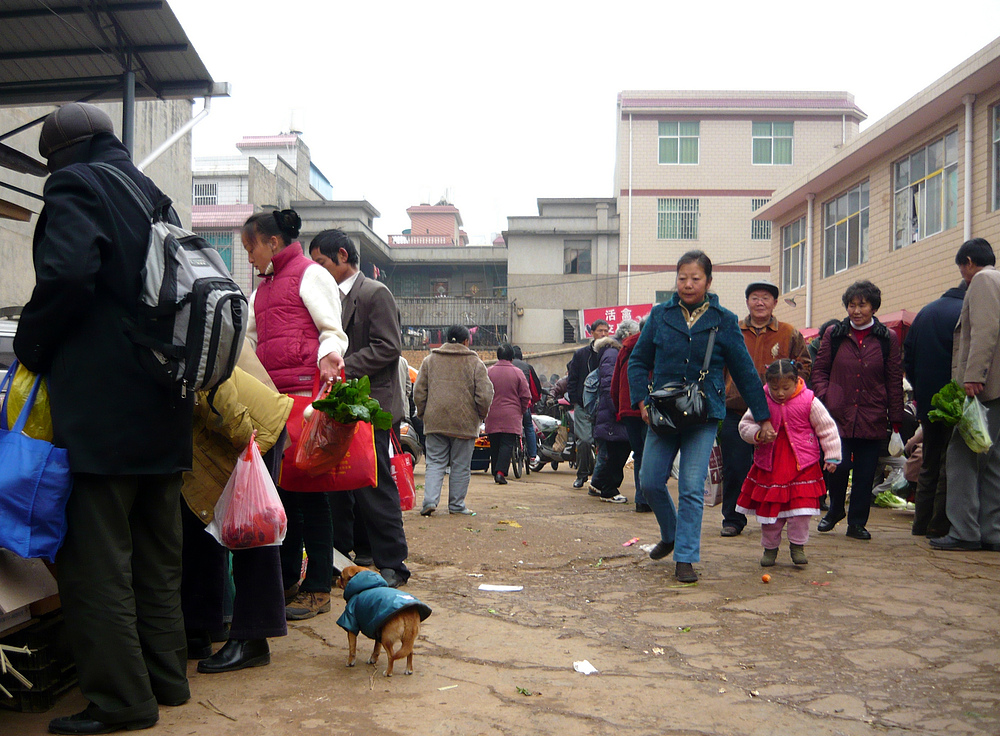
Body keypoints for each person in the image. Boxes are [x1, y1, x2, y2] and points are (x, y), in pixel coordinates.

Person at [14, 103, 194, 734]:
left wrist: (28, 347)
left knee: (98, 562)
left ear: (61, 153)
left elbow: (65, 276)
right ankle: (167, 682)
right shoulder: (154, 195)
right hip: (165, 408)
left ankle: (122, 701)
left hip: (103, 414)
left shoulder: (76, 185)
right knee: (155, 557)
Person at [628, 250, 773, 583]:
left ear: (709, 281)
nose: (688, 284)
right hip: (662, 415)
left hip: (704, 415)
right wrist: (641, 402)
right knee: (650, 481)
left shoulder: (724, 320)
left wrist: (763, 417)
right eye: (682, 278)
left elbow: (746, 373)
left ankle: (685, 557)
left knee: (692, 486)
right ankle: (670, 533)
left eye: (695, 278)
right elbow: (638, 361)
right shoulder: (660, 316)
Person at [242, 209, 348, 620]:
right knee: (283, 497)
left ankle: (319, 586)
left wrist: (329, 359)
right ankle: (288, 582)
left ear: (272, 242)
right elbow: (248, 341)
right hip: (274, 403)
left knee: (311, 495)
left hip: (306, 400)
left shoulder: (309, 274)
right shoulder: (261, 289)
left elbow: (332, 331)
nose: (249, 256)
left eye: (251, 247)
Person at [309, 229, 411, 588]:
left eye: (321, 262)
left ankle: (393, 563)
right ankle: (347, 555)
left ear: (341, 255)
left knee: (374, 483)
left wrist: (343, 365)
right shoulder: (329, 300)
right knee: (339, 485)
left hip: (372, 406)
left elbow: (388, 347)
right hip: (341, 405)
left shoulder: (374, 293)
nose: (317, 270)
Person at [180, 345, 292, 673]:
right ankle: (200, 627)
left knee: (251, 527)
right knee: (198, 524)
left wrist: (246, 442)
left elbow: (215, 384)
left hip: (249, 426)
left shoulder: (165, 319)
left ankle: (253, 637)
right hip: (216, 434)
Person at [812, 280, 904, 541]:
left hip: (872, 415)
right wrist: (825, 396)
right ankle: (835, 510)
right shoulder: (835, 333)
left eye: (862, 305)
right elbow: (819, 370)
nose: (856, 310)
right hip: (837, 415)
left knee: (865, 474)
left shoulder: (888, 339)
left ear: (873, 307)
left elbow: (894, 380)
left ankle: (857, 523)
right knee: (836, 467)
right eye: (851, 305)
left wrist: (896, 422)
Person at [719, 279, 811, 538]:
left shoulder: (789, 332)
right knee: (735, 468)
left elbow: (805, 365)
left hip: (777, 415)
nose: (760, 302)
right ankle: (733, 519)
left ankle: (771, 518)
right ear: (747, 302)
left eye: (766, 298)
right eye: (755, 298)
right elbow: (718, 366)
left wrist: (787, 383)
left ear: (774, 303)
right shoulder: (733, 329)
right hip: (736, 411)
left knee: (775, 469)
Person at [736, 360, 841, 567]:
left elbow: (827, 428)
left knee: (801, 511)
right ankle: (770, 548)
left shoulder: (809, 401)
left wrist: (832, 455)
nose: (780, 393)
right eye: (775, 388)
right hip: (771, 465)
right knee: (771, 513)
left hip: (802, 465)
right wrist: (757, 434)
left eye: (786, 388)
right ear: (768, 384)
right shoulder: (761, 400)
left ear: (796, 382)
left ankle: (798, 546)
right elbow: (744, 425)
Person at [931, 238, 1000, 552]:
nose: (963, 273)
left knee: (962, 457)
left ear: (969, 261)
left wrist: (973, 376)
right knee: (992, 461)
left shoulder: (984, 280)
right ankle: (992, 531)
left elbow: (985, 329)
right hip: (996, 388)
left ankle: (965, 531)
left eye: (962, 266)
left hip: (984, 388)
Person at [904, 280, 966, 538]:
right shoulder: (965, 311)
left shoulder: (926, 312)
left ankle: (920, 523)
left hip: (928, 401)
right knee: (949, 464)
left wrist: (920, 391)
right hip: (957, 400)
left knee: (929, 460)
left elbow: (908, 356)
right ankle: (938, 525)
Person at [413, 325, 494, 515]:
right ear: (466, 341)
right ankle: (456, 505)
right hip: (464, 424)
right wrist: (480, 415)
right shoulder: (475, 363)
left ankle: (429, 501)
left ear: (447, 340)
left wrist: (424, 413)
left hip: (435, 421)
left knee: (435, 462)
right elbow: (485, 395)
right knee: (460, 465)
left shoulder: (429, 360)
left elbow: (418, 392)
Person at [589, 320, 640, 504]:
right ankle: (608, 489)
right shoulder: (613, 353)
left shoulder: (616, 351)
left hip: (615, 411)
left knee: (614, 451)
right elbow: (609, 384)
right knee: (616, 451)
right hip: (614, 413)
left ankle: (601, 485)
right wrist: (617, 409)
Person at [611, 317, 650, 512]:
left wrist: (620, 408)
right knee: (651, 453)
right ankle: (646, 497)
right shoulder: (655, 348)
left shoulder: (625, 349)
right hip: (650, 409)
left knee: (640, 453)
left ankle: (642, 498)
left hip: (628, 409)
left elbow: (615, 384)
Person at [567, 319, 609, 488]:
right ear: (592, 333)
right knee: (584, 441)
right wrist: (575, 400)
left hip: (604, 406)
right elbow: (572, 379)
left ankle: (600, 479)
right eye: (600, 331)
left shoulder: (612, 353)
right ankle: (582, 474)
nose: (604, 334)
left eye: (606, 331)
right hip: (583, 406)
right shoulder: (581, 354)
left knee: (604, 443)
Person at [486, 343, 532, 484]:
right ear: (512, 357)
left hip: (492, 413)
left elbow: (481, 393)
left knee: (494, 443)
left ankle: (495, 471)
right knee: (507, 443)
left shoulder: (488, 372)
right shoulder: (517, 373)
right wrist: (521, 410)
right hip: (511, 414)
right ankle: (500, 472)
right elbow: (526, 396)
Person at [512, 345, 542, 463]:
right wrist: (533, 400)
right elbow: (535, 387)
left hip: (508, 406)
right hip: (524, 405)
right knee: (529, 426)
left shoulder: (503, 367)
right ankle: (533, 456)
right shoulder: (527, 367)